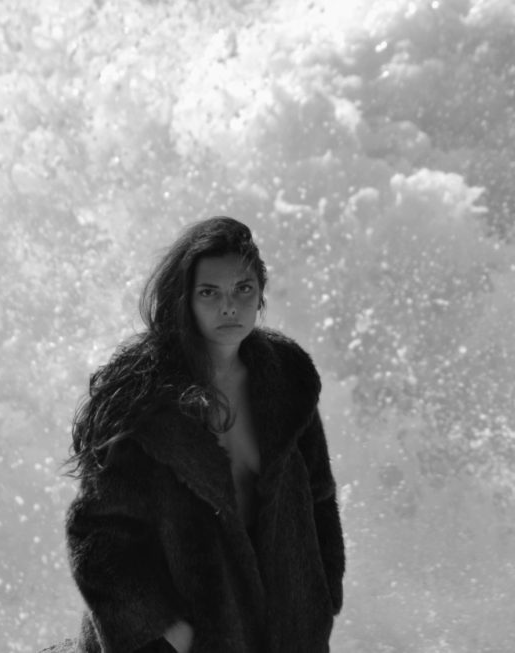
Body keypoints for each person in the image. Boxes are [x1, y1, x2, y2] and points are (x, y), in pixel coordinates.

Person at [62, 217, 345, 653]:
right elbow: (95, 533)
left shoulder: (288, 378)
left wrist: (322, 595)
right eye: (209, 292)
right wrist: (160, 627)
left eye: (243, 289)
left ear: (260, 293)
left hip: (284, 632)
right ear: (184, 299)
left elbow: (320, 495)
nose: (229, 306)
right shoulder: (143, 397)